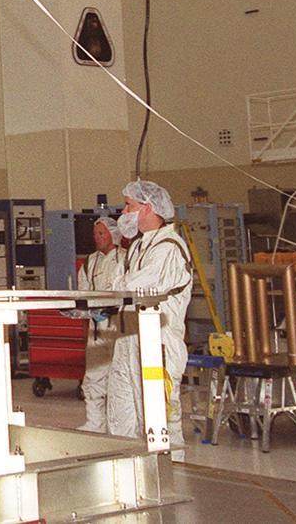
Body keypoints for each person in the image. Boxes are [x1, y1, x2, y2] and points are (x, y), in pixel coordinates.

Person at [105, 180, 193, 461]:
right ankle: (128, 481)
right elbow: (115, 284)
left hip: (158, 347)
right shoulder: (138, 247)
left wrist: (118, 285)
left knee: (158, 421)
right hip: (128, 341)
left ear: (148, 207)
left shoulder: (169, 247)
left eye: (129, 205)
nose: (124, 212)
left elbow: (134, 286)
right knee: (121, 418)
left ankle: (171, 479)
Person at [76, 215, 127, 433]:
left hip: (120, 327)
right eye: (95, 234)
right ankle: (95, 422)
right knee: (94, 376)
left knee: (120, 377)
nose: (97, 238)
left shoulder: (127, 259)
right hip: (97, 328)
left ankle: (121, 425)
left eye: (102, 233)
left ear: (113, 235)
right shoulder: (90, 262)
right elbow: (82, 292)